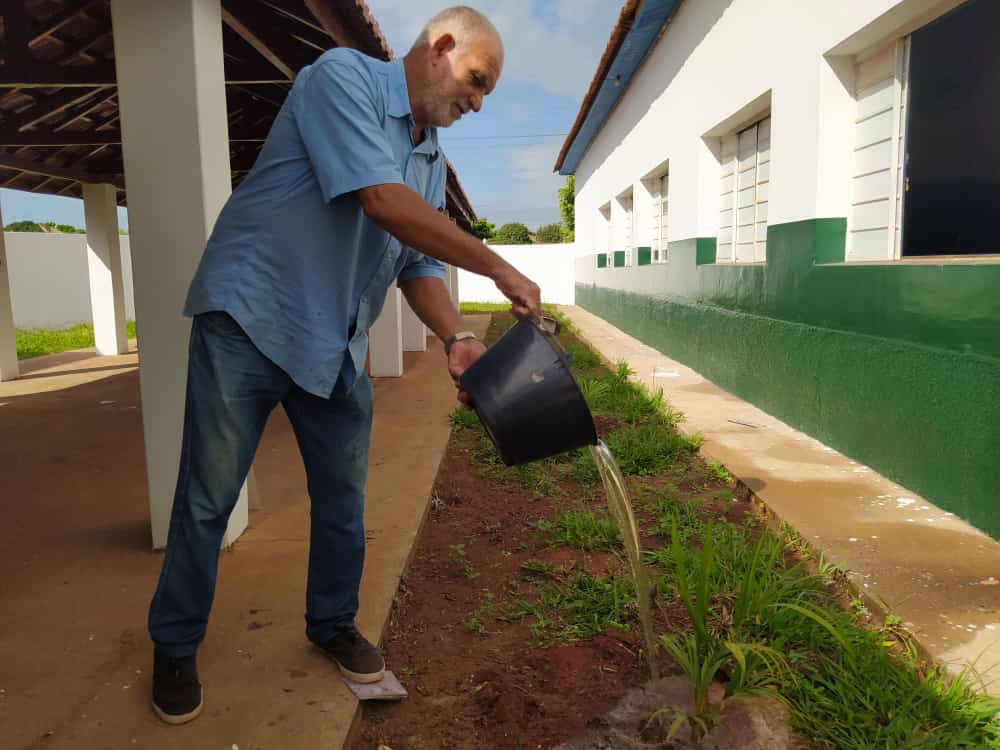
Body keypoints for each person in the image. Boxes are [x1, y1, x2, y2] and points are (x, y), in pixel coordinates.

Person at [148, 6, 540, 725]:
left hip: (332, 342)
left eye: (485, 93)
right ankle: (174, 643)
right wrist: (494, 265)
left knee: (343, 503)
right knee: (209, 498)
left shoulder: (426, 159)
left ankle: (331, 623)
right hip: (249, 316)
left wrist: (456, 337)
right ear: (441, 47)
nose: (477, 102)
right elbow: (379, 202)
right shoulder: (344, 80)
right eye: (476, 81)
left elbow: (416, 263)